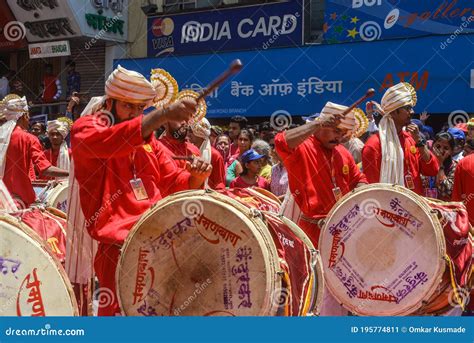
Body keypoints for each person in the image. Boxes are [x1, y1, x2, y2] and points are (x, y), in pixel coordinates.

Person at [70, 65, 212, 316]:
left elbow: (174, 182)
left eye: (139, 108)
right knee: (115, 318)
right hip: (117, 251)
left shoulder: (150, 144)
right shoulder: (87, 129)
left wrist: (196, 176)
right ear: (109, 103)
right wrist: (163, 114)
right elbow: (114, 141)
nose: (135, 113)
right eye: (128, 106)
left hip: (159, 246)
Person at [362, 83, 439, 195]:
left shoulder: (412, 139)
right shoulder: (374, 145)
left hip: (414, 207)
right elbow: (373, 189)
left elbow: (432, 170)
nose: (412, 112)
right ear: (393, 111)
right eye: (407, 108)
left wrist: (419, 141)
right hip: (387, 209)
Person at [0, 95, 68, 209]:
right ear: (25, 116)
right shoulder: (28, 138)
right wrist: (72, 173)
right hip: (20, 199)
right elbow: (46, 170)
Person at [188, 118, 226, 189]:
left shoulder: (215, 155)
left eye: (191, 131)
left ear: (200, 133)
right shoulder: (187, 151)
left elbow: (219, 183)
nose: (188, 134)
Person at [424, 132, 457, 201]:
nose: (441, 150)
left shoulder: (455, 167)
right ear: (432, 146)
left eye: (446, 148)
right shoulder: (425, 162)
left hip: (444, 208)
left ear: (451, 151)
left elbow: (447, 191)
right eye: (438, 146)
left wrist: (440, 164)